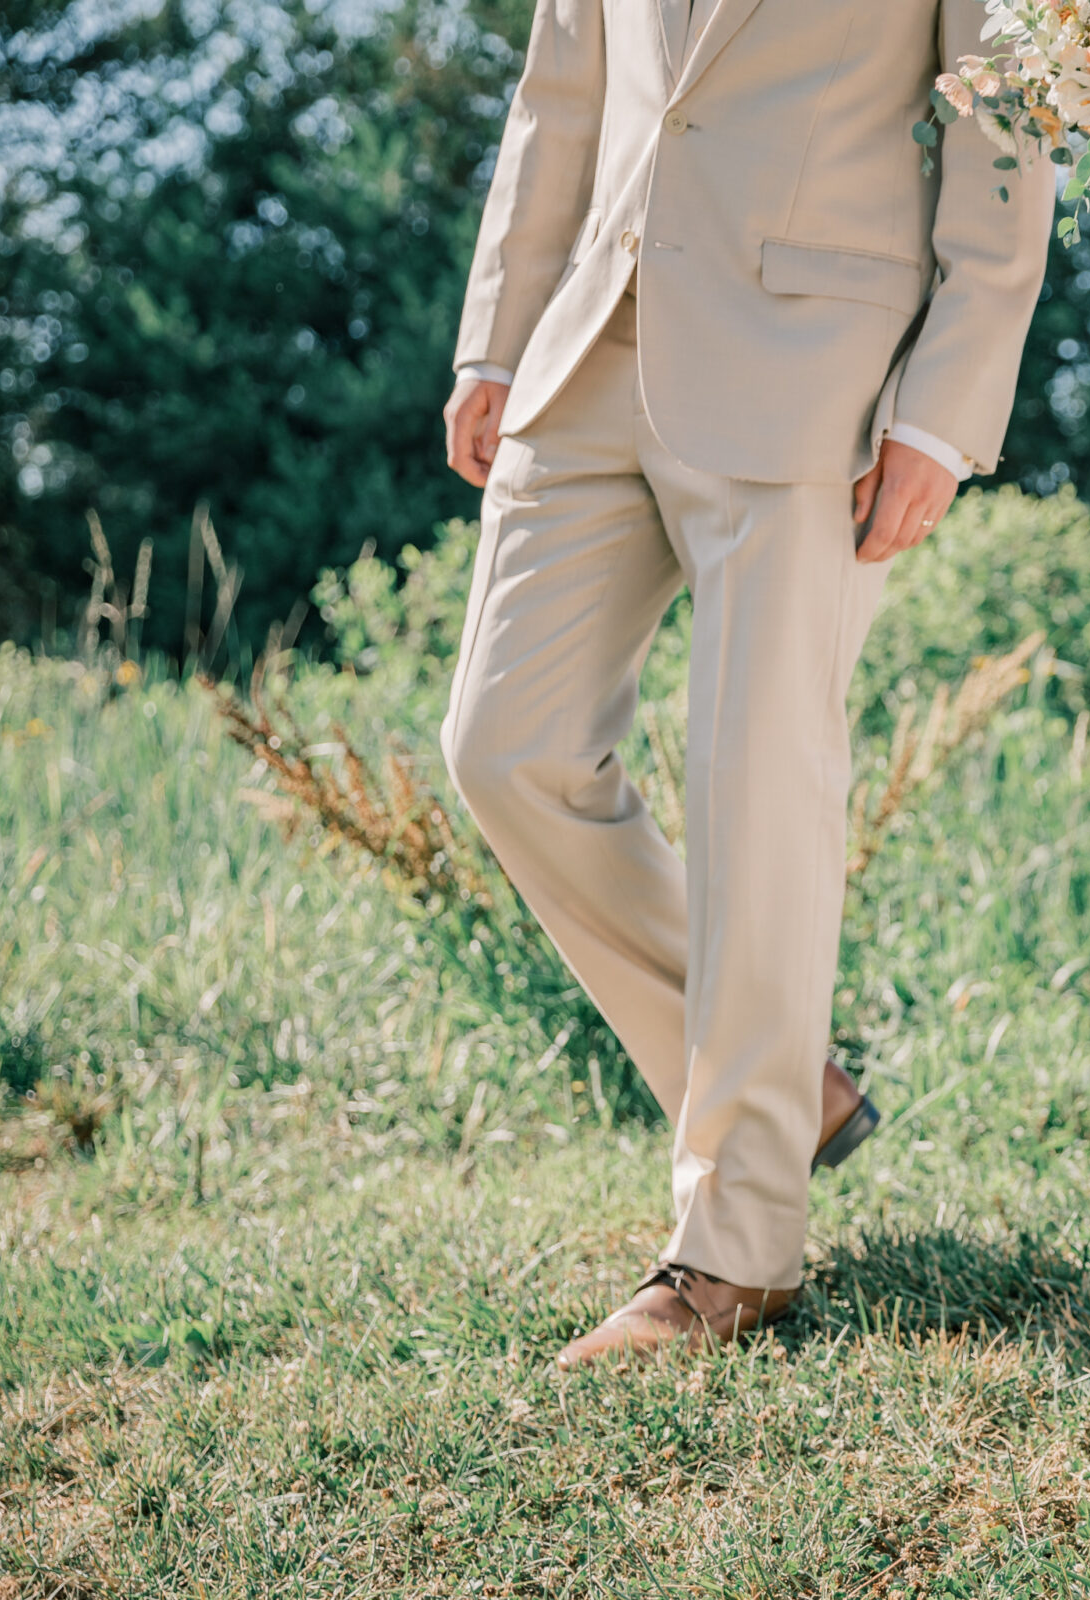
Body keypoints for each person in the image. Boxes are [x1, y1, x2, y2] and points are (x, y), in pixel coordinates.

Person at [437, 0, 1053, 1366]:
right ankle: (790, 1093)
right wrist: (497, 335)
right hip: (587, 342)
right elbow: (568, 92)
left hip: (812, 362)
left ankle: (733, 1253)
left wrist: (945, 410)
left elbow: (1007, 117)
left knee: (756, 789)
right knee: (503, 745)